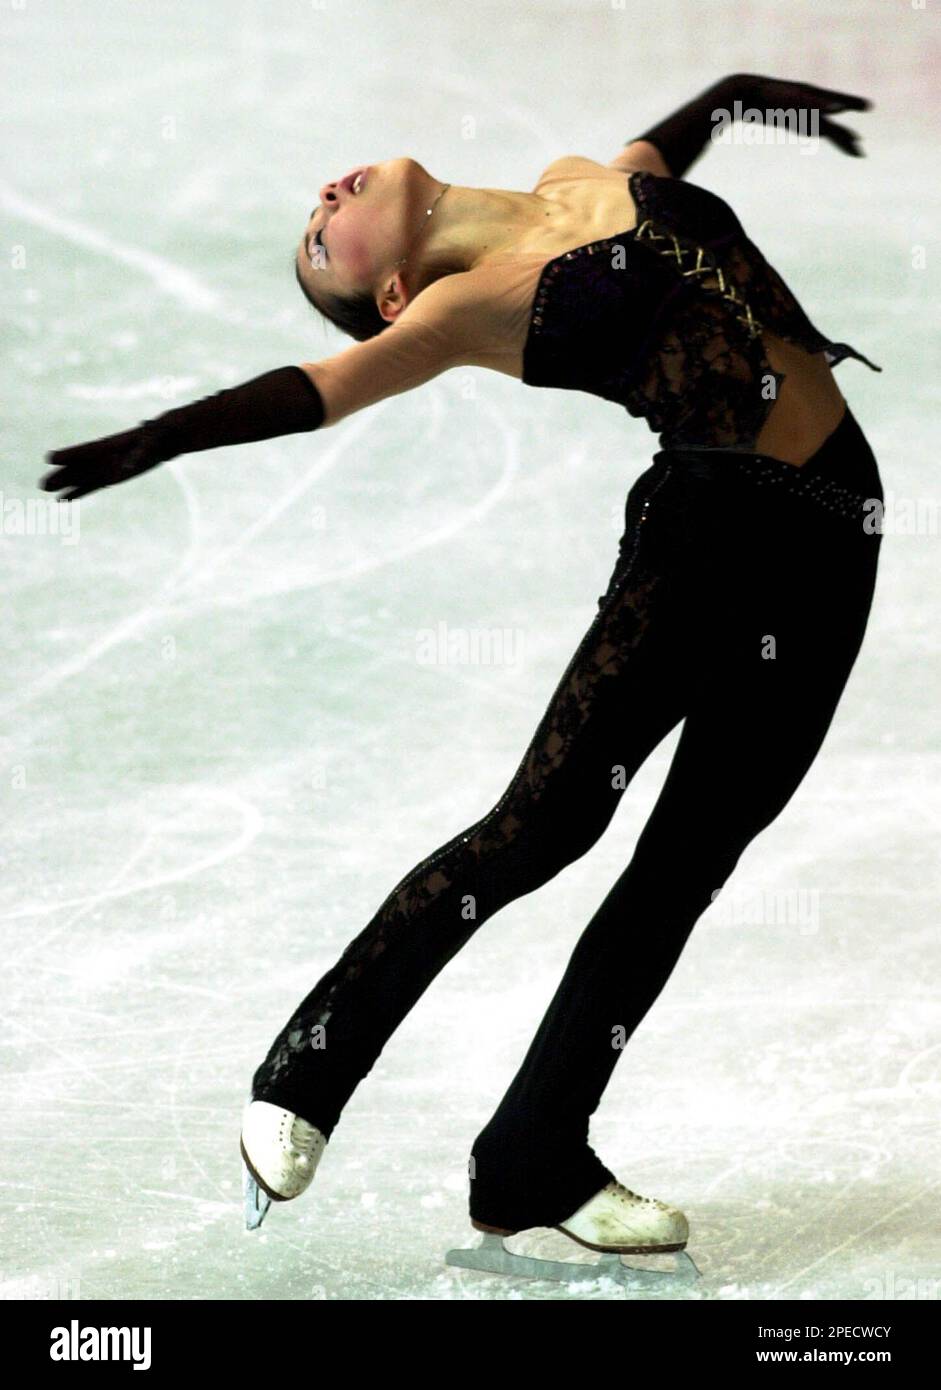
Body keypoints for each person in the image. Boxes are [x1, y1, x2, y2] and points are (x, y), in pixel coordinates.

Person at [41, 75, 884, 1272]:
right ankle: (307, 1072)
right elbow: (319, 390)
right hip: (702, 546)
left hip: (834, 525)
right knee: (539, 828)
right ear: (389, 292)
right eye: (317, 237)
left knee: (688, 860)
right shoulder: (465, 311)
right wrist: (158, 437)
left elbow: (665, 147)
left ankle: (534, 1151)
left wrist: (745, 100)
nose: (323, 198)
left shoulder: (575, 183)